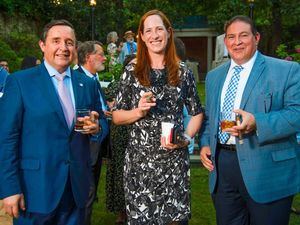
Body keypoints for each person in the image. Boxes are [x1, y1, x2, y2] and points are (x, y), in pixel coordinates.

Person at [0, 19, 103, 225]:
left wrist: (97, 128)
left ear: (75, 47)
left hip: (76, 190)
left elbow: (101, 120)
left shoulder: (87, 84)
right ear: (42, 45)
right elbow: (6, 139)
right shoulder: (20, 82)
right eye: (56, 41)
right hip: (34, 192)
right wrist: (9, 188)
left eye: (69, 42)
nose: (63, 48)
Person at [200, 15, 300, 225]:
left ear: (256, 38)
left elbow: (296, 114)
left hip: (267, 169)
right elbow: (210, 118)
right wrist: (204, 144)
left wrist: (257, 122)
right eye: (231, 37)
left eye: (243, 36)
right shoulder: (214, 76)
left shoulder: (286, 70)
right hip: (223, 169)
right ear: (225, 41)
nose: (237, 42)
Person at [112, 10, 203, 224]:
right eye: (149, 30)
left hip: (174, 166)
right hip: (140, 167)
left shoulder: (183, 72)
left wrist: (187, 138)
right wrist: (139, 111)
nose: (154, 35)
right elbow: (116, 116)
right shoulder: (132, 71)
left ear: (169, 33)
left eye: (159, 29)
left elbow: (197, 113)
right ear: (142, 37)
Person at [75, 40, 109, 225]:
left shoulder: (92, 79)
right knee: (84, 194)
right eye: (100, 54)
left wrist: (104, 115)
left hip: (97, 143)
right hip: (85, 147)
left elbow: (98, 109)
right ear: (88, 57)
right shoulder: (76, 80)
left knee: (90, 193)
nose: (104, 58)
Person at [105, 54, 136, 225]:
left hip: (136, 133)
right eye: (131, 65)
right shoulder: (116, 85)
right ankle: (121, 212)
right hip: (119, 133)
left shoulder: (144, 85)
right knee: (119, 171)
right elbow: (109, 102)